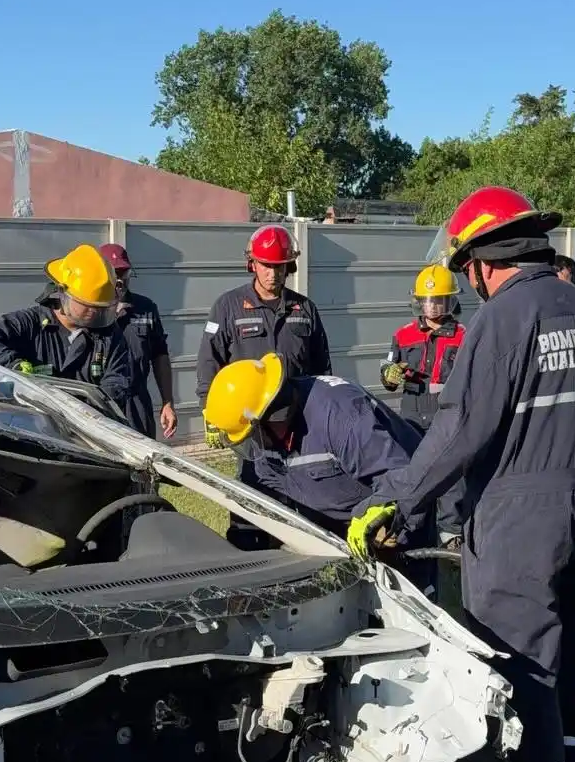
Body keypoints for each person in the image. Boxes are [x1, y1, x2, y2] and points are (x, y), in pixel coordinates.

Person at [346, 185, 575, 762]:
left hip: (523, 519)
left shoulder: (503, 322)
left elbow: (459, 431)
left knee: (525, 665)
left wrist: (392, 500)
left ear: (479, 262)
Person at [203, 352, 437, 592]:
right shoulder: (263, 432)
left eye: (252, 435)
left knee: (404, 594)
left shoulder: (342, 416)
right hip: (330, 510)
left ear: (275, 414)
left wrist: (378, 509)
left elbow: (401, 477)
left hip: (392, 504)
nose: (252, 444)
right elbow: (254, 495)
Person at [195, 225, 332, 549]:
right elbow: (208, 363)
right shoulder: (227, 307)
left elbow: (323, 368)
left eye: (279, 266)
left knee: (299, 500)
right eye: (266, 265)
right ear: (252, 264)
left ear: (289, 266)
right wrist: (210, 413)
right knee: (250, 496)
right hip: (249, 425)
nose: (273, 273)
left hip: (297, 426)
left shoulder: (306, 310)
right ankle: (249, 560)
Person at [0, 244, 132, 409]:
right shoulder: (29, 324)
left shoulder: (110, 337)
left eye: (100, 308)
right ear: (63, 294)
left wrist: (89, 408)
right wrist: (14, 366)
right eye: (88, 305)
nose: (95, 312)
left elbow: (116, 384)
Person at [379, 263, 469, 546]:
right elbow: (388, 372)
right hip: (412, 413)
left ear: (451, 300)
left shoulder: (465, 335)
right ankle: (410, 528)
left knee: (451, 474)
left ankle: (450, 532)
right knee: (413, 469)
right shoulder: (403, 334)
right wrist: (388, 376)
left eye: (438, 300)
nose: (432, 307)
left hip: (448, 413)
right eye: (427, 301)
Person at [98, 244, 177, 440]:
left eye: (123, 271)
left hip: (137, 402)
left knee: (142, 461)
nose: (119, 278)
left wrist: (167, 401)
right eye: (114, 272)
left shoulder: (145, 308)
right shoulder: (90, 311)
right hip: (100, 403)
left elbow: (160, 355)